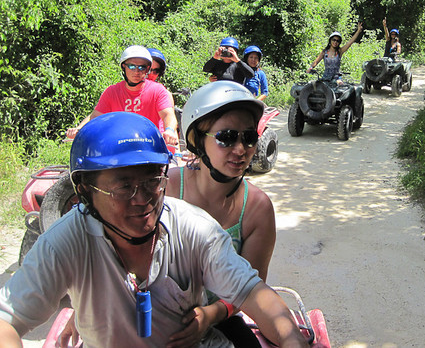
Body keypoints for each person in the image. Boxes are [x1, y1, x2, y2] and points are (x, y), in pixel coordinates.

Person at [0, 112, 308, 348]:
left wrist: (291, 339)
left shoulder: (193, 229)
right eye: (123, 187)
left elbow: (253, 293)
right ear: (84, 191)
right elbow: (7, 321)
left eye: (152, 181)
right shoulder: (65, 242)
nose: (143, 199)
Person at [163, 80, 275, 346]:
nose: (241, 149)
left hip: (219, 316)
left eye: (249, 138)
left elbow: (252, 289)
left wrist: (209, 315)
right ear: (198, 140)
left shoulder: (257, 208)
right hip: (157, 310)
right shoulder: (166, 188)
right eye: (226, 137)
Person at [66, 45, 179, 149]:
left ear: (147, 69)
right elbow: (95, 117)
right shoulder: (112, 92)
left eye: (142, 67)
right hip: (119, 148)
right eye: (132, 66)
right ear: (124, 67)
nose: (136, 71)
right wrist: (79, 130)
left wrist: (169, 130)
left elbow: (168, 115)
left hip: (150, 147)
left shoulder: (158, 91)